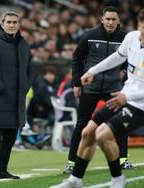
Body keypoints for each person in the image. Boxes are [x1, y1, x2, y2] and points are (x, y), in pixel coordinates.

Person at [51, 8, 144, 188]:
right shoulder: (132, 38)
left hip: (139, 105)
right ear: (139, 25)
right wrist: (92, 70)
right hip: (125, 97)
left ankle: (118, 179)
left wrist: (128, 95)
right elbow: (117, 56)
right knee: (87, 132)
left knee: (102, 135)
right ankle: (75, 179)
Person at [64, 6, 133, 174]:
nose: (110, 22)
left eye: (113, 19)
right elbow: (77, 58)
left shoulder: (125, 38)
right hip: (91, 87)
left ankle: (123, 160)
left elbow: (130, 59)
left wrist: (123, 74)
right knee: (82, 124)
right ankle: (71, 162)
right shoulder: (89, 35)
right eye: (107, 19)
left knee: (120, 123)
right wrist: (76, 83)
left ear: (118, 20)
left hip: (113, 87)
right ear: (102, 19)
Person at [0, 11, 32, 181]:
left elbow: (29, 70)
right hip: (0, 99)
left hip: (17, 100)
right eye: (8, 22)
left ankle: (2, 170)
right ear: (2, 24)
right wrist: (1, 88)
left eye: (14, 22)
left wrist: (25, 86)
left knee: (10, 138)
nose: (11, 25)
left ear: (19, 25)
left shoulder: (24, 44)